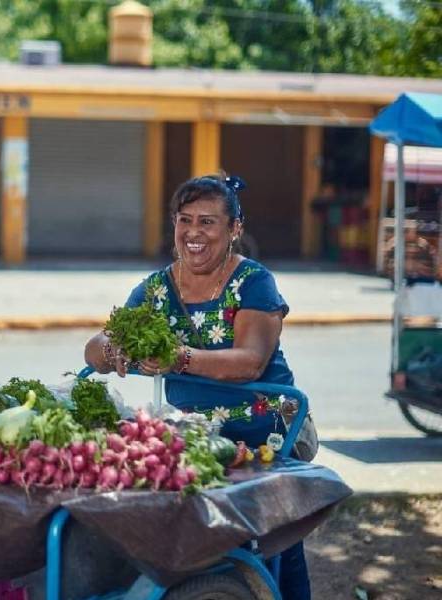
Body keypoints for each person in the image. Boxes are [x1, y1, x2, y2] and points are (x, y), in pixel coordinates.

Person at [84, 174, 311, 600]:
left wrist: (178, 358)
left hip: (266, 433)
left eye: (208, 222)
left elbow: (249, 362)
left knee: (275, 540)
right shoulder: (155, 289)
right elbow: (94, 349)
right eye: (184, 220)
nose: (193, 232)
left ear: (234, 230)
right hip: (194, 437)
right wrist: (112, 348)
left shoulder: (253, 282)